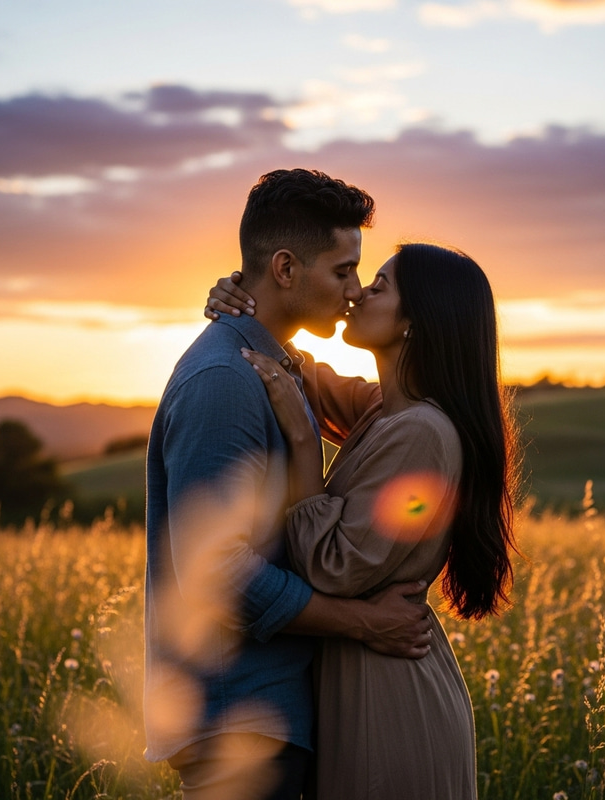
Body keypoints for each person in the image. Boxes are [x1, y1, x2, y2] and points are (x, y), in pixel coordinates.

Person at [144, 169, 434, 800]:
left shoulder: (273, 368)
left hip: (268, 718)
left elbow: (391, 408)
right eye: (343, 271)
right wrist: (362, 623)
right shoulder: (223, 380)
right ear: (284, 268)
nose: (354, 291)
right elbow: (215, 570)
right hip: (235, 722)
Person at [207, 242, 520, 799]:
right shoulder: (387, 410)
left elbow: (331, 568)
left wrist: (305, 445)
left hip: (390, 706)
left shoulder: (421, 433)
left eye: (379, 285)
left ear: (414, 324)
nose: (356, 294)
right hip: (366, 686)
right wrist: (246, 301)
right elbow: (301, 377)